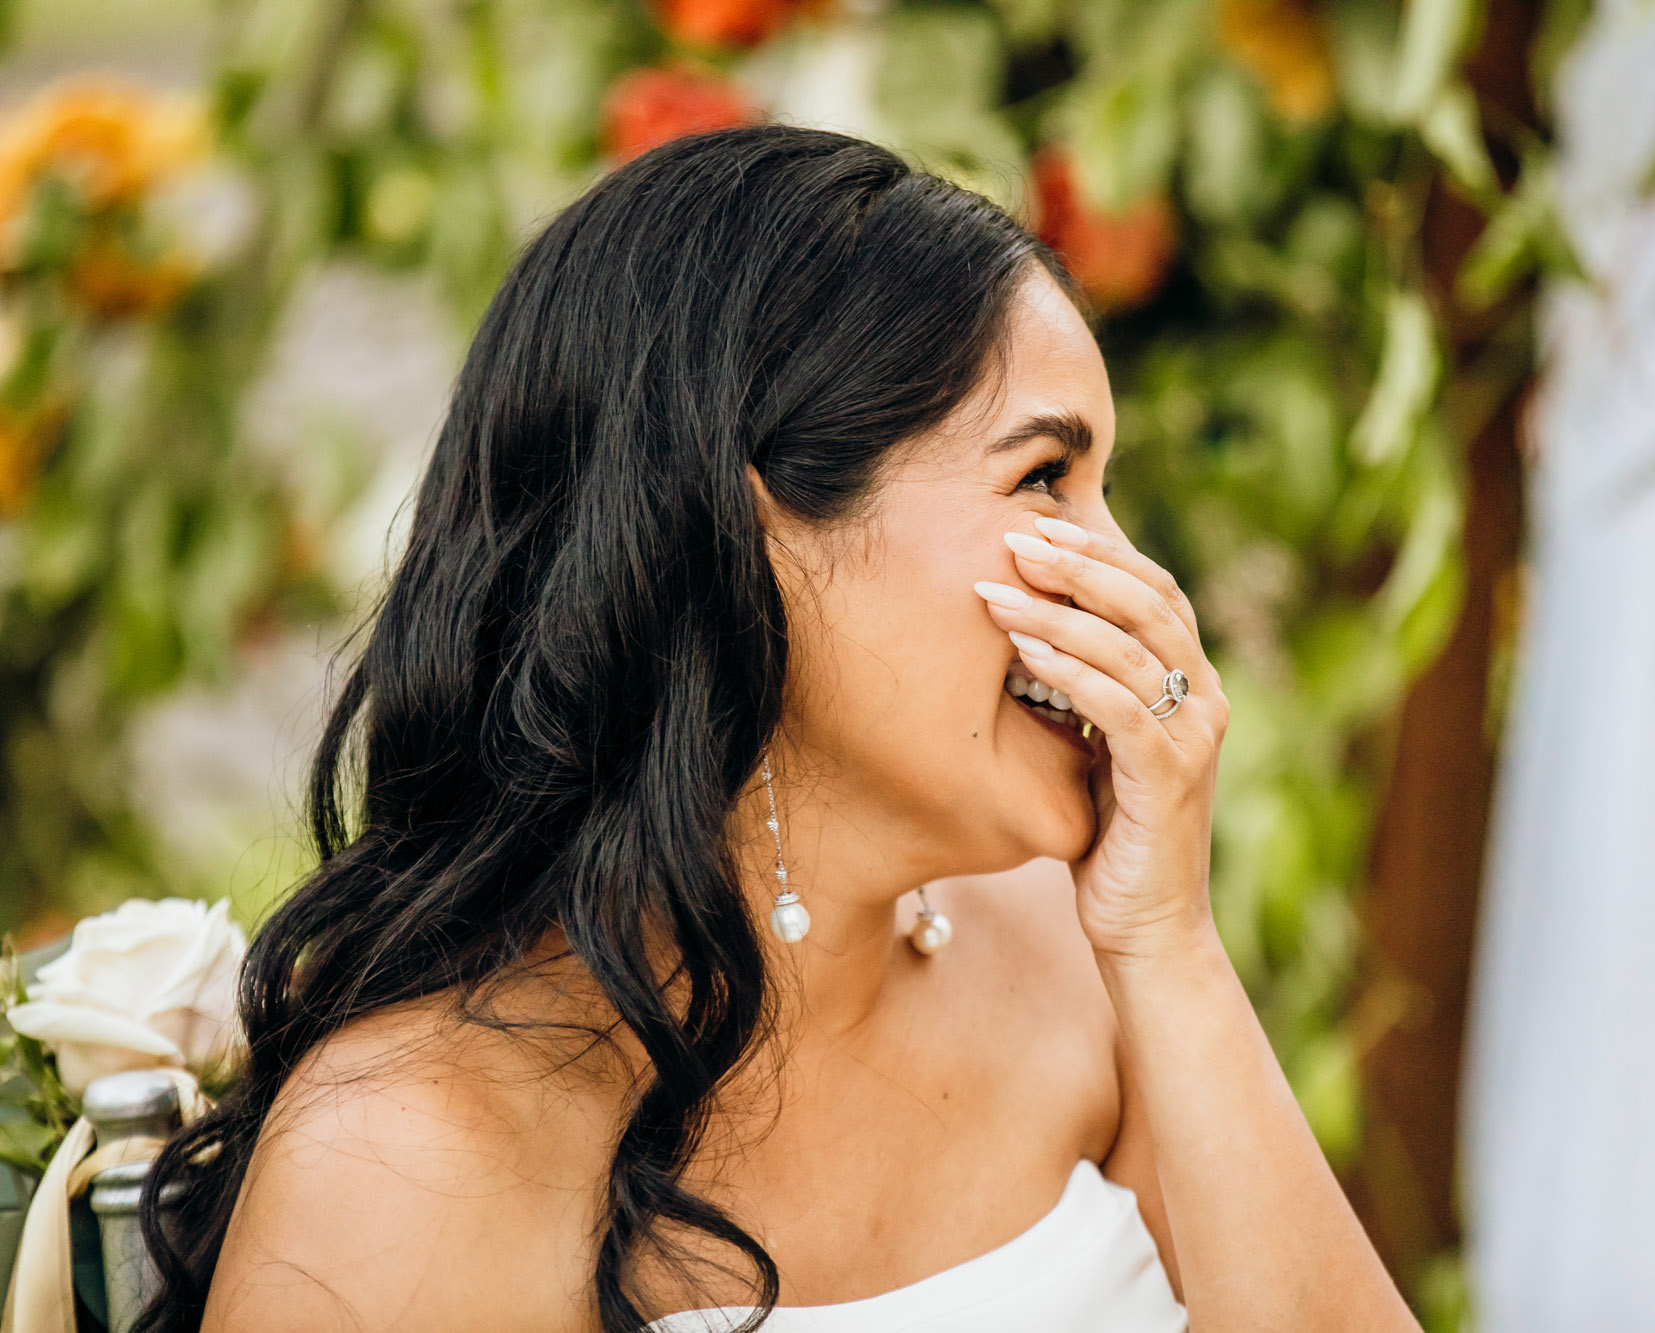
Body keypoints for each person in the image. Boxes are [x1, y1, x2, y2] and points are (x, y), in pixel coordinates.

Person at [135, 126, 1418, 1333]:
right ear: (744, 540)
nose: (1131, 578)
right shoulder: (408, 1155)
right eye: (1042, 478)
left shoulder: (1071, 952)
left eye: (1104, 491)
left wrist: (1168, 942)